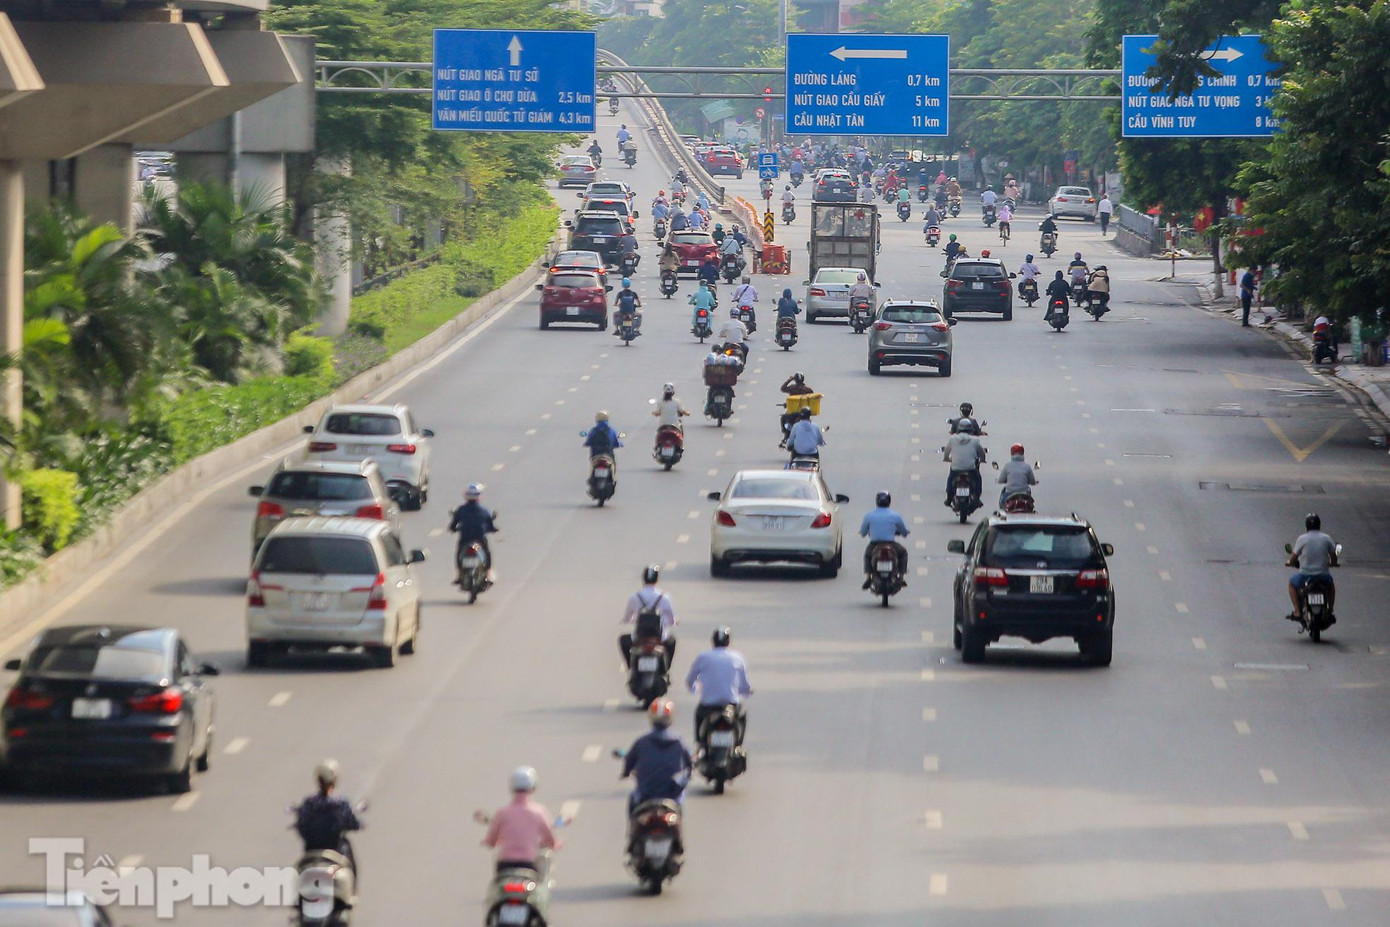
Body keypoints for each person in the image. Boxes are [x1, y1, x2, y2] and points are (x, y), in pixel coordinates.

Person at [481, 767, 561, 874]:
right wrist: (556, 844)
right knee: (539, 889)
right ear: (533, 787)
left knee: (495, 889)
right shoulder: (539, 812)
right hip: (528, 864)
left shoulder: (502, 813)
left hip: (505, 864)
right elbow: (550, 840)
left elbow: (491, 841)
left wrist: (490, 841)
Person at [620, 700, 693, 817]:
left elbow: (630, 761)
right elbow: (689, 764)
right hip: (672, 795)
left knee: (633, 797)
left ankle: (631, 833)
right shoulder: (679, 742)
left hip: (646, 794)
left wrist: (625, 773)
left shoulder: (642, 742)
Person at [296, 760, 363, 879]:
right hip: (337, 851)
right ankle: (353, 892)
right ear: (334, 780)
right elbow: (353, 822)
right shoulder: (341, 803)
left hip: (311, 852)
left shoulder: (309, 803)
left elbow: (301, 824)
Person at [686, 627, 752, 742]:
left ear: (713, 641)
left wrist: (694, 688)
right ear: (728, 642)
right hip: (731, 704)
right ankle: (738, 744)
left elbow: (690, 679)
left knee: (698, 715)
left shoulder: (703, 657)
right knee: (742, 714)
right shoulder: (738, 658)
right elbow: (744, 685)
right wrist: (746, 692)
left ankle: (700, 744)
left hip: (708, 705)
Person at [620, 564, 677, 666]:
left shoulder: (634, 597)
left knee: (623, 640)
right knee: (672, 642)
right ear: (657, 579)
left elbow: (627, 617)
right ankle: (666, 667)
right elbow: (671, 619)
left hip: (639, 636)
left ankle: (630, 665)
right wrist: (672, 622)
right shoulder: (664, 597)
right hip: (660, 637)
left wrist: (627, 620)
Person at [1286, 513, 1338, 621]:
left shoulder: (1302, 539)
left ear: (1306, 526)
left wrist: (1289, 562)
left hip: (1305, 575)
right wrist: (1333, 563)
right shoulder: (1326, 538)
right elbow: (1333, 556)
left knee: (1291, 583)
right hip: (1323, 575)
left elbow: (1294, 556)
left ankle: (1297, 611)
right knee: (1331, 585)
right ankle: (1330, 609)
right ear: (1319, 525)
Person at [859, 491, 909, 587]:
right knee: (903, 553)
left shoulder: (869, 515)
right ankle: (901, 577)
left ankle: (868, 577)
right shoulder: (895, 516)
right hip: (890, 544)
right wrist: (905, 533)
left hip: (874, 545)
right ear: (889, 502)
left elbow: (863, 532)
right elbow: (903, 532)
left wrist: (864, 533)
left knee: (867, 555)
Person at [448, 484, 498, 574]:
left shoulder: (461, 510)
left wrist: (453, 529)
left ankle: (459, 573)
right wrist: (493, 529)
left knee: (459, 552)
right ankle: (488, 571)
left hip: (465, 538)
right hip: (479, 538)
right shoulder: (484, 510)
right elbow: (490, 525)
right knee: (486, 552)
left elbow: (453, 524)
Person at [942, 422, 986, 506]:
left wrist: (947, 459)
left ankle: (949, 498)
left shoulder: (952, 439)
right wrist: (982, 460)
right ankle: (977, 497)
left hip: (956, 468)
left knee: (951, 478)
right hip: (970, 468)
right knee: (977, 479)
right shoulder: (975, 440)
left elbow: (947, 451)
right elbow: (981, 452)